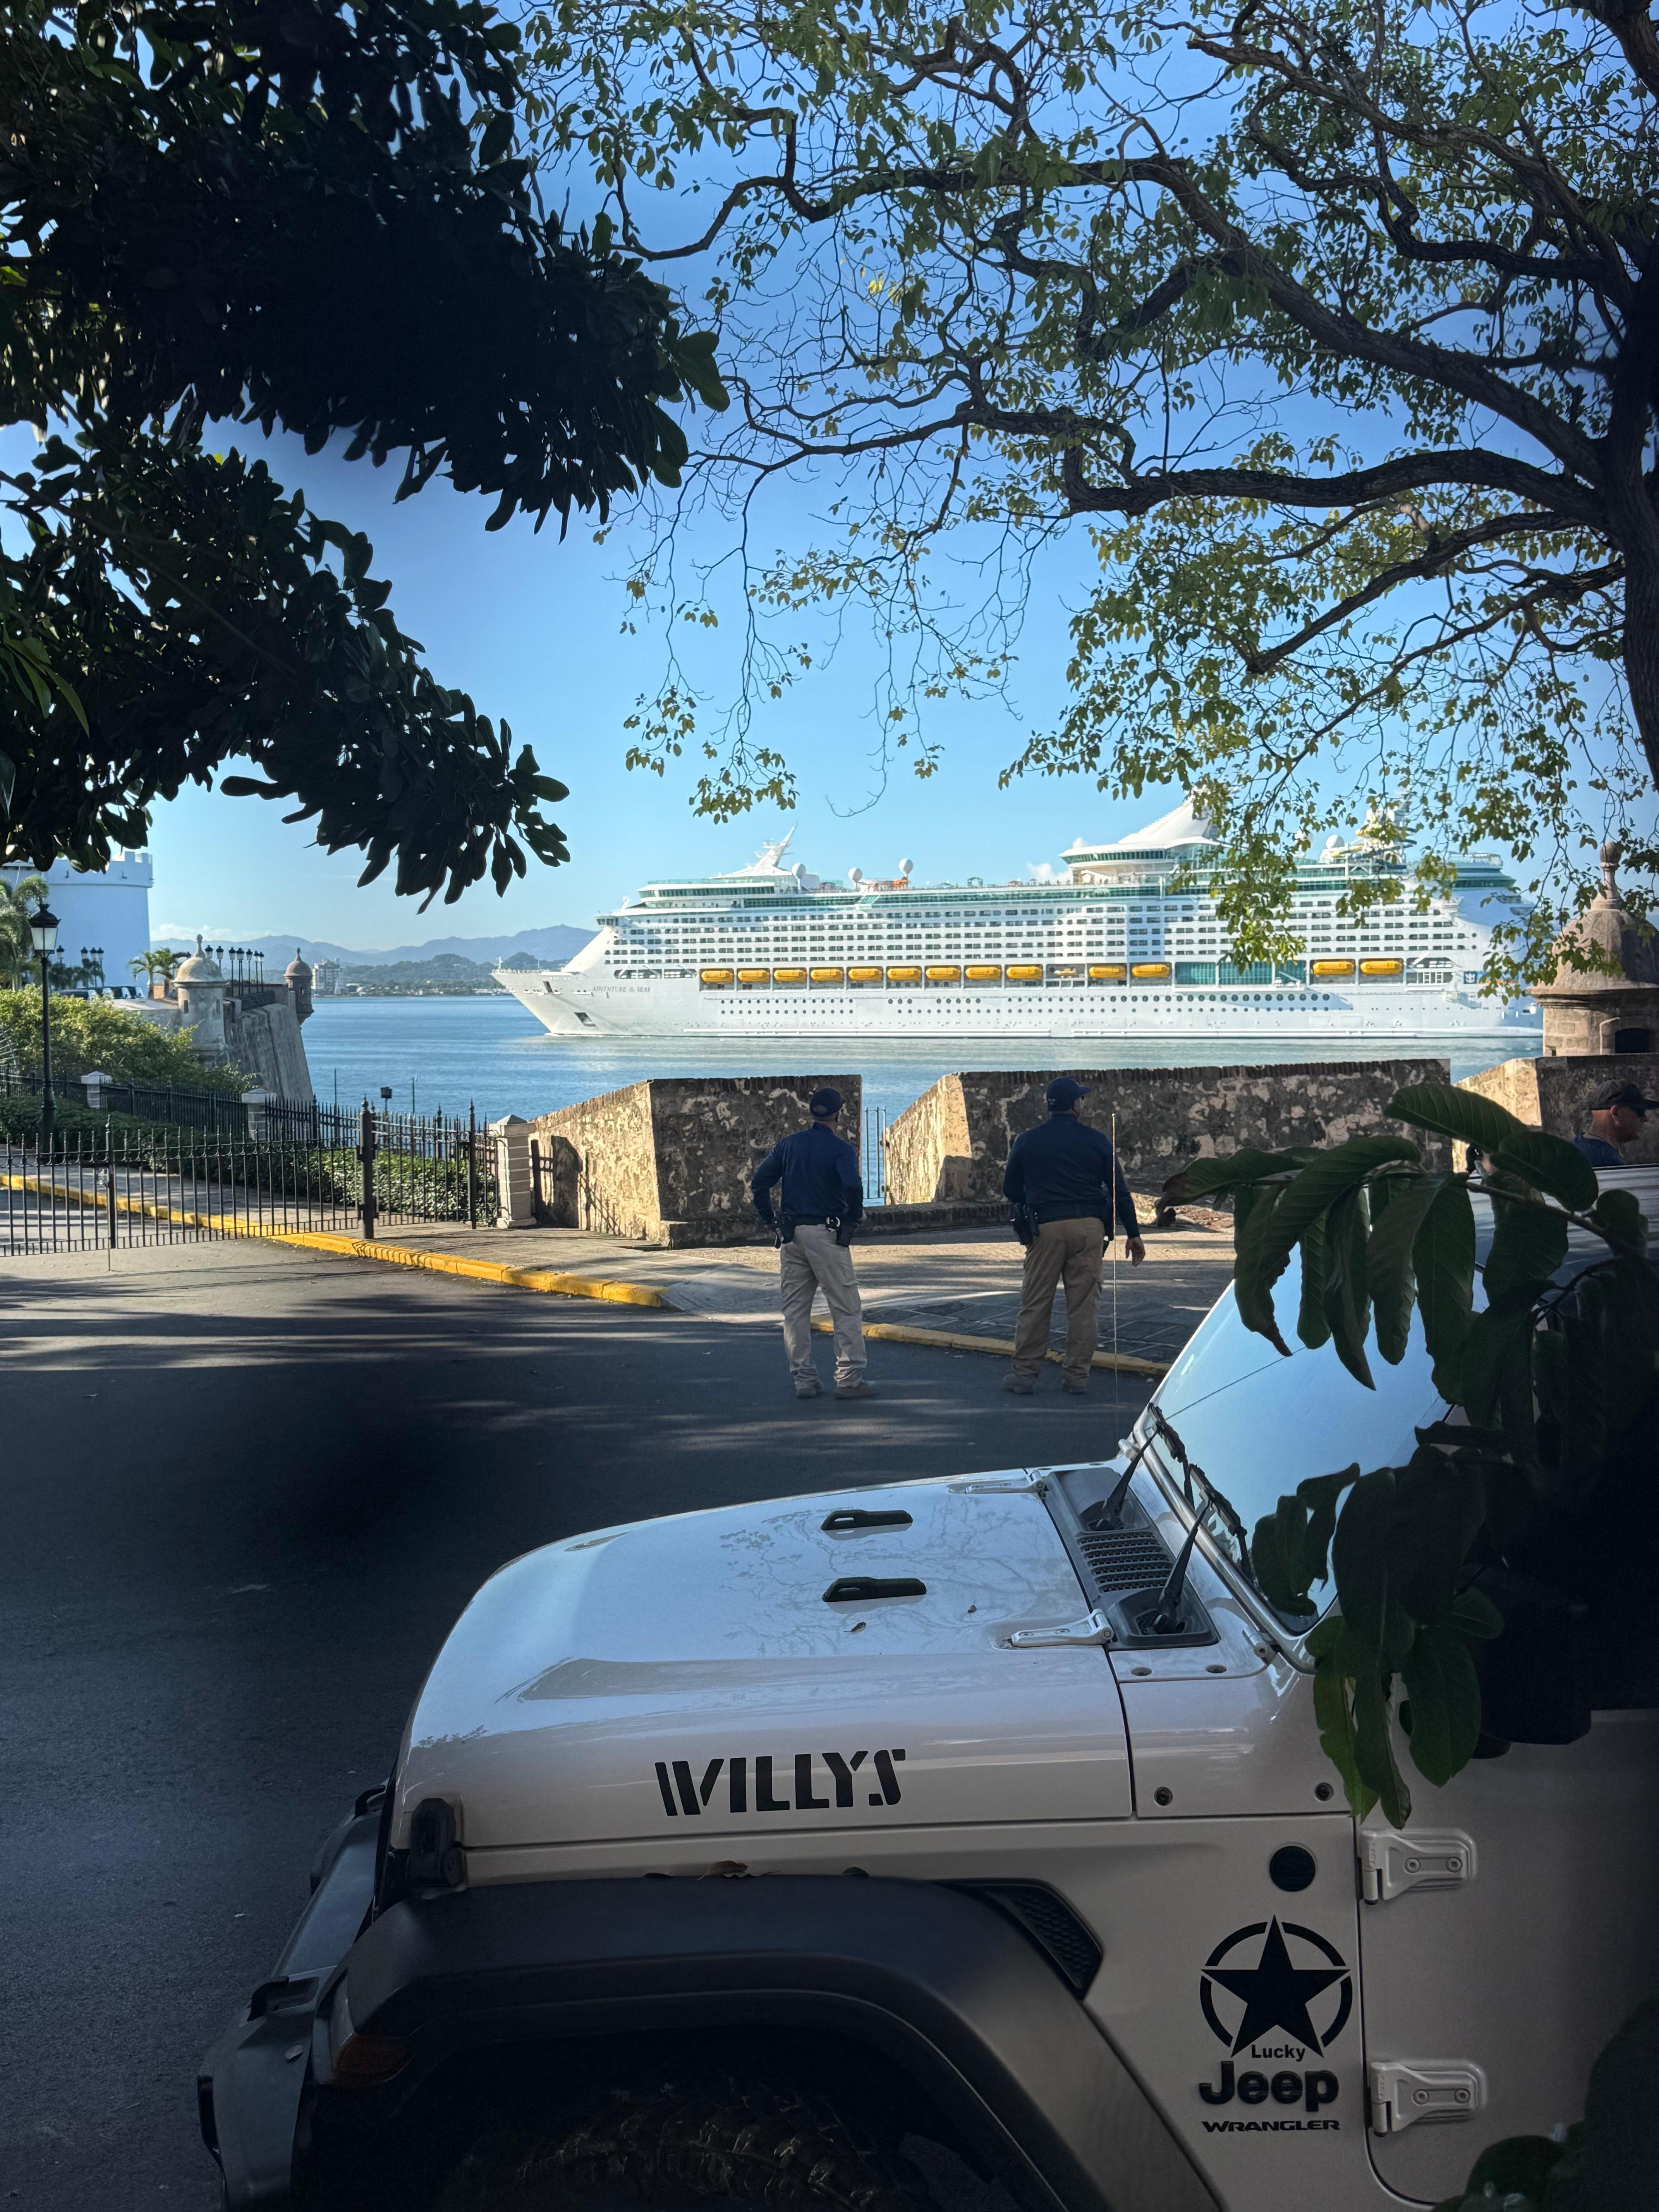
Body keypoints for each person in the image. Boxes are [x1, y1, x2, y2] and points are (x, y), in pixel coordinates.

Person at [1002, 1077, 1145, 1397]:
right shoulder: (1097, 1141)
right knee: (1084, 1306)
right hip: (1090, 1228)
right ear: (1076, 1105)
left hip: (1047, 1227)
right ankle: (1076, 1377)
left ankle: (1024, 1376)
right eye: (1081, 1099)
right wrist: (1133, 1234)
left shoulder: (1027, 1140)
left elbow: (1010, 1189)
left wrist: (1036, 1192)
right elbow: (1120, 1192)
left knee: (1036, 1302)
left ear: (1049, 1106)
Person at [751, 1087, 874, 1402]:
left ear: (812, 1114)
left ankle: (803, 1379)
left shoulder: (788, 1145)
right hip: (826, 1233)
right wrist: (854, 1215)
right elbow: (851, 1185)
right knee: (845, 1307)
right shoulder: (840, 1150)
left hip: (792, 1235)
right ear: (838, 1115)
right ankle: (848, 1378)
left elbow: (760, 1183)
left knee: (794, 1310)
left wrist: (771, 1221)